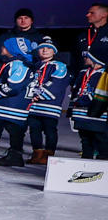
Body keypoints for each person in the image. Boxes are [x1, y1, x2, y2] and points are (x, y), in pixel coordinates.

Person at [23, 37, 70, 166]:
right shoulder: (35, 66)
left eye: (48, 48)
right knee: (34, 129)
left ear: (54, 52)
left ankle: (48, 155)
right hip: (34, 105)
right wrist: (30, 95)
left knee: (50, 130)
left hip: (50, 105)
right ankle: (37, 153)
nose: (44, 50)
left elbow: (56, 84)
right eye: (42, 48)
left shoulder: (59, 66)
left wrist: (37, 94)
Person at [0, 38, 33, 168]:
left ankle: (15, 156)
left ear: (13, 49)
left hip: (14, 106)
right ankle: (14, 155)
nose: (2, 48)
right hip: (11, 105)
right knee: (13, 130)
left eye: (5, 46)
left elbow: (14, 86)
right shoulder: (12, 63)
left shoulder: (18, 64)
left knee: (15, 130)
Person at [72, 40, 107, 159]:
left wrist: (86, 100)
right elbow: (75, 91)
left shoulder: (104, 74)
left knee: (100, 139)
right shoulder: (83, 72)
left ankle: (103, 164)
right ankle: (86, 162)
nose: (84, 58)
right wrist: (72, 108)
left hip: (97, 114)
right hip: (81, 113)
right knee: (85, 140)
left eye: (87, 56)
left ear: (94, 59)